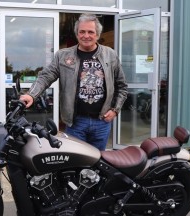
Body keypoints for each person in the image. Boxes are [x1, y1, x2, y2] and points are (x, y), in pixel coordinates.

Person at [20, 13, 127, 151]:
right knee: (73, 164)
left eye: (90, 32)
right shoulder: (63, 56)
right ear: (77, 34)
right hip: (75, 123)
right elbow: (45, 76)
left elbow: (122, 86)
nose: (86, 35)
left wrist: (115, 110)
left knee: (98, 163)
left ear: (97, 35)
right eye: (82, 31)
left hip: (102, 122)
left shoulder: (110, 54)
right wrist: (31, 95)